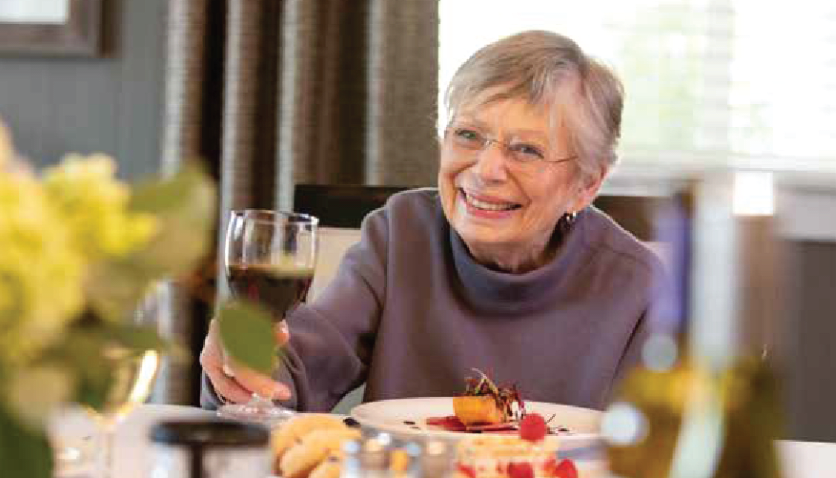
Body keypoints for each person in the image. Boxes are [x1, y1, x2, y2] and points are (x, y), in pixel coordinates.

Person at [200, 30, 663, 413]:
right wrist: (243, 369)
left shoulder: (639, 288)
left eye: (526, 149)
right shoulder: (402, 234)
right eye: (468, 135)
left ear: (586, 184)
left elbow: (655, 468)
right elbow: (299, 370)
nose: (485, 170)